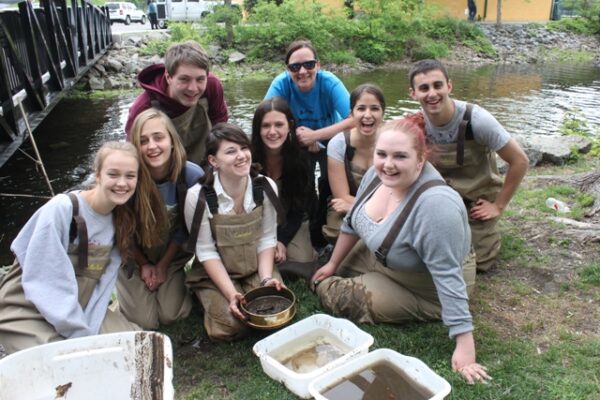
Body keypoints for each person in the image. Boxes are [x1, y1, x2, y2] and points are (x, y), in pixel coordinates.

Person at [311, 117, 491, 384]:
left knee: (335, 295)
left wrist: (465, 346)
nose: (388, 164)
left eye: (400, 156)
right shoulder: (376, 175)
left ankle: (311, 277)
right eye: (381, 154)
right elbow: (352, 221)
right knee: (325, 271)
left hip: (424, 287)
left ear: (421, 160)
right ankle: (321, 270)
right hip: (383, 255)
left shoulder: (436, 206)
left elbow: (447, 275)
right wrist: (333, 264)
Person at [0, 142, 160, 354]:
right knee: (62, 364)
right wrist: (78, 336)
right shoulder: (63, 209)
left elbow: (102, 287)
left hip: (79, 308)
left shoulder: (120, 222)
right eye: (113, 174)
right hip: (28, 309)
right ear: (98, 174)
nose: (122, 183)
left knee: (137, 348)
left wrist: (89, 331)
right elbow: (44, 282)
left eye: (130, 176)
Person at [408, 59, 528, 272]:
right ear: (413, 93)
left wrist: (498, 206)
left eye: (438, 85)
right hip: (437, 199)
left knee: (479, 263)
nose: (432, 94)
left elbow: (519, 161)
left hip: (475, 201)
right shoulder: (414, 124)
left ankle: (481, 232)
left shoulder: (477, 120)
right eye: (424, 88)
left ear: (449, 86)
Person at [184, 123, 285, 341]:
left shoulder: (266, 187)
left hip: (254, 267)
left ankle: (256, 284)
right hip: (214, 273)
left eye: (244, 148)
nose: (241, 156)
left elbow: (268, 238)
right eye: (231, 151)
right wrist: (231, 294)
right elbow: (205, 251)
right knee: (234, 326)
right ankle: (206, 297)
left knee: (274, 313)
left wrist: (266, 278)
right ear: (213, 161)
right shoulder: (198, 197)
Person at [117, 108, 204, 329]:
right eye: (143, 141)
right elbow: (122, 229)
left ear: (172, 140)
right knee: (144, 321)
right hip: (133, 256)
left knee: (171, 315)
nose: (152, 146)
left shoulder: (191, 176)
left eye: (158, 137)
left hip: (171, 256)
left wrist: (163, 265)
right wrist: (144, 264)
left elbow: (186, 229)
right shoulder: (127, 179)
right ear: (135, 147)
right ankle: (131, 291)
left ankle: (171, 284)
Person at [264, 39, 353, 250]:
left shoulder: (330, 83)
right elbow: (265, 119)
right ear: (288, 69)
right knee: (303, 186)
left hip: (330, 138)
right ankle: (305, 234)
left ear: (318, 65)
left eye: (309, 65)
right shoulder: (281, 84)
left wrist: (317, 136)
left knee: (327, 184)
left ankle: (325, 235)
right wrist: (299, 138)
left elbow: (354, 118)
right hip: (296, 141)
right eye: (295, 67)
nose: (302, 71)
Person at [125, 41, 228, 165]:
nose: (193, 88)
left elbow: (220, 125)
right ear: (168, 77)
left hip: (204, 162)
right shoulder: (144, 107)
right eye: (184, 79)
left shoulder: (212, 86)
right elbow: (132, 152)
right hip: (162, 170)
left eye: (200, 79)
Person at [251, 97, 318, 277]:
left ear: (289, 126)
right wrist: (267, 241)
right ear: (258, 128)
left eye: (279, 125)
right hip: (258, 222)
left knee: (302, 261)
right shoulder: (248, 156)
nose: (272, 132)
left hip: (290, 219)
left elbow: (299, 208)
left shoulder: (301, 158)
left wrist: (281, 240)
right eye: (266, 126)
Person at [322, 83, 385, 243]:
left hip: (384, 208)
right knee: (338, 231)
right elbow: (341, 196)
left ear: (383, 113)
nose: (367, 115)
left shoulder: (392, 141)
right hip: (344, 207)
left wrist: (359, 209)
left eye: (375, 109)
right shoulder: (338, 144)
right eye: (361, 108)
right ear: (351, 114)